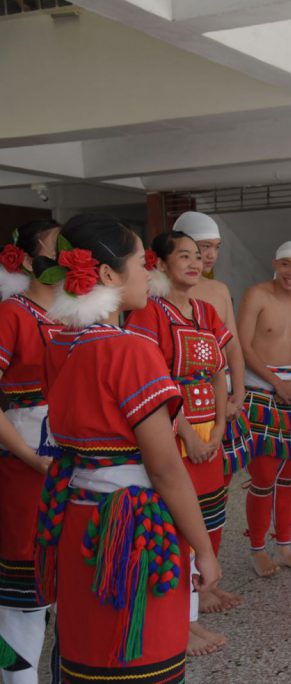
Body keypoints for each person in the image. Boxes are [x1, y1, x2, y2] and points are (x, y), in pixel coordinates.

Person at [35, 214, 219, 683]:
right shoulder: (130, 350)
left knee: (87, 659)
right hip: (129, 534)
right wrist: (204, 549)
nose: (149, 272)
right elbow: (165, 470)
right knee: (139, 662)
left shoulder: (61, 343)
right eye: (142, 262)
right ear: (106, 274)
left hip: (79, 520)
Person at [125, 231, 232, 655]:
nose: (195, 262)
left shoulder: (206, 311)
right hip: (172, 430)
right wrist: (185, 430)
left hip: (211, 428)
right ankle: (179, 621)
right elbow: (155, 379)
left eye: (198, 255)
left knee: (207, 515)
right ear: (161, 265)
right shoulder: (151, 312)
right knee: (173, 526)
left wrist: (221, 425)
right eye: (183, 256)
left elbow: (218, 371)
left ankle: (194, 605)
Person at [0, 220, 60, 684]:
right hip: (23, 464)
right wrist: (25, 454)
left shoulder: (82, 315)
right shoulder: (12, 314)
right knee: (23, 586)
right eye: (58, 250)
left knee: (63, 584)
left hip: (72, 462)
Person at [237, 241, 291, 577]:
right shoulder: (256, 294)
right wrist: (276, 383)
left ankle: (284, 547)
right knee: (263, 477)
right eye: (286, 265)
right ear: (275, 263)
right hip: (260, 388)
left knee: (289, 477)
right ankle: (258, 549)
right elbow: (241, 343)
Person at [172, 212, 254, 506]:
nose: (209, 255)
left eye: (215, 247)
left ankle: (208, 547)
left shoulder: (219, 290)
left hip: (222, 393)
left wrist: (239, 393)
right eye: (203, 246)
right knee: (181, 488)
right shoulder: (155, 293)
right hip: (179, 400)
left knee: (217, 485)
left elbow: (232, 347)